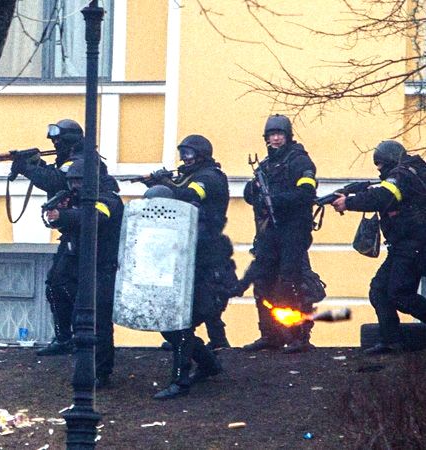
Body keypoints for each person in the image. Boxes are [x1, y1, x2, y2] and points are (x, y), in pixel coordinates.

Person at [11, 119, 118, 357]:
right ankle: (64, 338)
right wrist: (35, 163)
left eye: (59, 140)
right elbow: (58, 179)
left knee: (90, 306)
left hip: (95, 246)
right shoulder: (70, 162)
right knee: (55, 287)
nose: (55, 144)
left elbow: (56, 181)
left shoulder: (84, 162)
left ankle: (85, 349)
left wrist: (28, 168)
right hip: (73, 237)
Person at [144, 134, 233, 399]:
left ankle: (180, 383)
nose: (185, 158)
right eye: (183, 153)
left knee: (179, 323)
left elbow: (188, 195)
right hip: (189, 259)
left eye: (190, 154)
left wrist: (163, 184)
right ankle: (208, 364)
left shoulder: (209, 178)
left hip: (206, 265)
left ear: (202, 154)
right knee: (171, 324)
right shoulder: (190, 176)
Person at [332, 140, 426, 354]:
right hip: (403, 246)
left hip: (414, 246)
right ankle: (391, 341)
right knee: (380, 291)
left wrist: (350, 202)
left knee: (400, 293)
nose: (380, 170)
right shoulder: (409, 173)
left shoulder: (403, 175)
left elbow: (384, 196)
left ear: (389, 161)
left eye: (381, 165)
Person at [236, 114, 318, 353]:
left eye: (279, 134)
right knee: (262, 282)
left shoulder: (300, 161)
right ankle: (270, 335)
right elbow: (250, 193)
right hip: (270, 232)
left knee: (289, 283)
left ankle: (298, 335)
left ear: (287, 136)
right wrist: (255, 191)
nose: (276, 139)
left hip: (294, 230)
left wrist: (277, 200)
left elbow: (306, 193)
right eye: (272, 135)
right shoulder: (265, 165)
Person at [44, 158, 124, 388]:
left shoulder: (108, 199)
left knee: (97, 322)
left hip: (103, 269)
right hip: (81, 266)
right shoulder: (77, 200)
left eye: (79, 181)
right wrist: (60, 212)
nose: (75, 186)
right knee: (75, 312)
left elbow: (94, 218)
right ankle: (78, 357)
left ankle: (101, 372)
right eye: (72, 182)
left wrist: (66, 215)